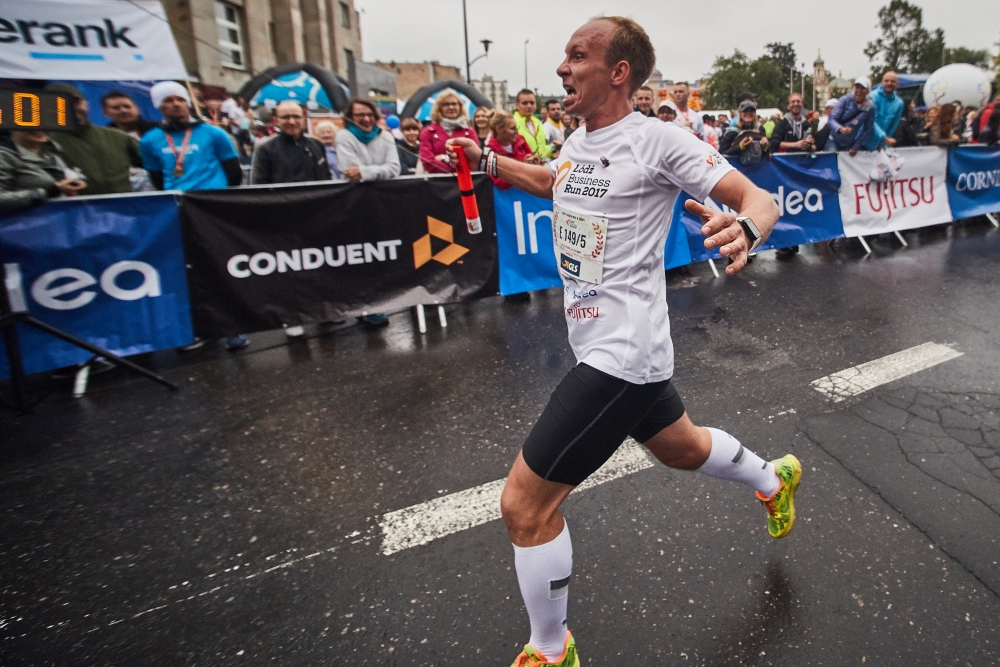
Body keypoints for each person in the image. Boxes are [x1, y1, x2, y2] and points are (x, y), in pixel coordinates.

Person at [448, 16, 798, 667]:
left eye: (577, 56)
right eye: (564, 56)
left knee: (525, 506)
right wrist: (488, 161)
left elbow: (759, 197)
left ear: (619, 72)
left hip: (622, 356)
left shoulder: (658, 140)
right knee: (683, 448)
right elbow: (553, 181)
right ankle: (773, 478)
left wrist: (747, 227)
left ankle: (551, 649)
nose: (562, 67)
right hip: (606, 346)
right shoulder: (579, 140)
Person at [139, 81, 247, 351]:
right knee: (189, 271)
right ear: (159, 106)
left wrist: (219, 199)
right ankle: (200, 328)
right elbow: (157, 178)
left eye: (179, 99)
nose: (175, 104)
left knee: (223, 267)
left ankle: (233, 327)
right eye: (168, 101)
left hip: (212, 210)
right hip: (178, 211)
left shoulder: (214, 133)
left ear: (187, 102)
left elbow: (233, 172)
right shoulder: (150, 140)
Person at [43, 84, 143, 195]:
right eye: (62, 104)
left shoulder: (118, 136)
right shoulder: (45, 142)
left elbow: (150, 162)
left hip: (124, 203)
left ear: (86, 104)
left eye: (76, 102)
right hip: (79, 205)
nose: (71, 107)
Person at [0, 131, 86, 214]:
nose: (40, 129)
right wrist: (48, 192)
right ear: (11, 128)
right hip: (23, 222)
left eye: (44, 124)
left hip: (60, 219)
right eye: (29, 123)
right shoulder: (3, 155)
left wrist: (72, 185)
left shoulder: (52, 154)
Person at [250, 101, 330, 185]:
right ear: (275, 120)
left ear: (304, 118)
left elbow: (327, 179)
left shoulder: (316, 144)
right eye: (285, 117)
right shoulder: (265, 149)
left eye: (296, 117)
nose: (292, 122)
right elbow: (258, 187)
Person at [336, 99, 400, 183]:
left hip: (384, 189)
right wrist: (382, 170)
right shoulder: (343, 136)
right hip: (355, 189)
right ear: (351, 117)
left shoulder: (386, 136)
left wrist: (364, 172)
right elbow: (352, 173)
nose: (366, 119)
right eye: (361, 115)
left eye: (370, 115)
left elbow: (394, 169)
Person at [418, 92, 479, 174]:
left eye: (454, 104)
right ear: (439, 108)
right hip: (437, 180)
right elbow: (427, 162)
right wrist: (454, 170)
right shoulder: (428, 132)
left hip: (466, 179)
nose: (451, 107)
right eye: (446, 104)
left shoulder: (470, 132)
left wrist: (443, 158)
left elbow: (474, 159)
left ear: (460, 106)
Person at [484, 110, 537, 189]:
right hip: (509, 195)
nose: (516, 132)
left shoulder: (520, 139)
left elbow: (535, 164)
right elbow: (499, 183)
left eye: (516, 128)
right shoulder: (487, 152)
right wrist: (523, 167)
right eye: (513, 128)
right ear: (498, 129)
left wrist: (535, 161)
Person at [827, 77, 876, 156]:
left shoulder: (870, 107)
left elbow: (867, 129)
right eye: (857, 87)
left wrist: (856, 146)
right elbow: (831, 119)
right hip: (833, 139)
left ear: (867, 90)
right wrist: (840, 128)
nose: (859, 90)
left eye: (862, 88)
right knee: (832, 157)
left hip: (849, 143)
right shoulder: (844, 100)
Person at [720, 100, 771, 165]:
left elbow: (766, 154)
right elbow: (722, 154)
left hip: (757, 168)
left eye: (751, 111)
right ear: (740, 114)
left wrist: (765, 148)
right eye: (745, 111)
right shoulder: (732, 131)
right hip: (736, 168)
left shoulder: (760, 130)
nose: (748, 113)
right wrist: (741, 146)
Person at [864, 71, 904, 151]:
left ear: (897, 84)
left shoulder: (899, 103)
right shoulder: (872, 97)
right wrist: (883, 137)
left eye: (892, 81)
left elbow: (893, 126)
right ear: (882, 82)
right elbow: (869, 120)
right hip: (862, 142)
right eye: (886, 81)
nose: (889, 83)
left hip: (879, 145)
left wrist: (883, 143)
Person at [513, 89, 551, 161]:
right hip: (522, 166)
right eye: (525, 103)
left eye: (532, 103)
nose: (529, 106)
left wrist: (553, 149)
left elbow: (541, 149)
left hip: (539, 166)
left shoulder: (538, 122)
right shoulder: (512, 123)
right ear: (517, 105)